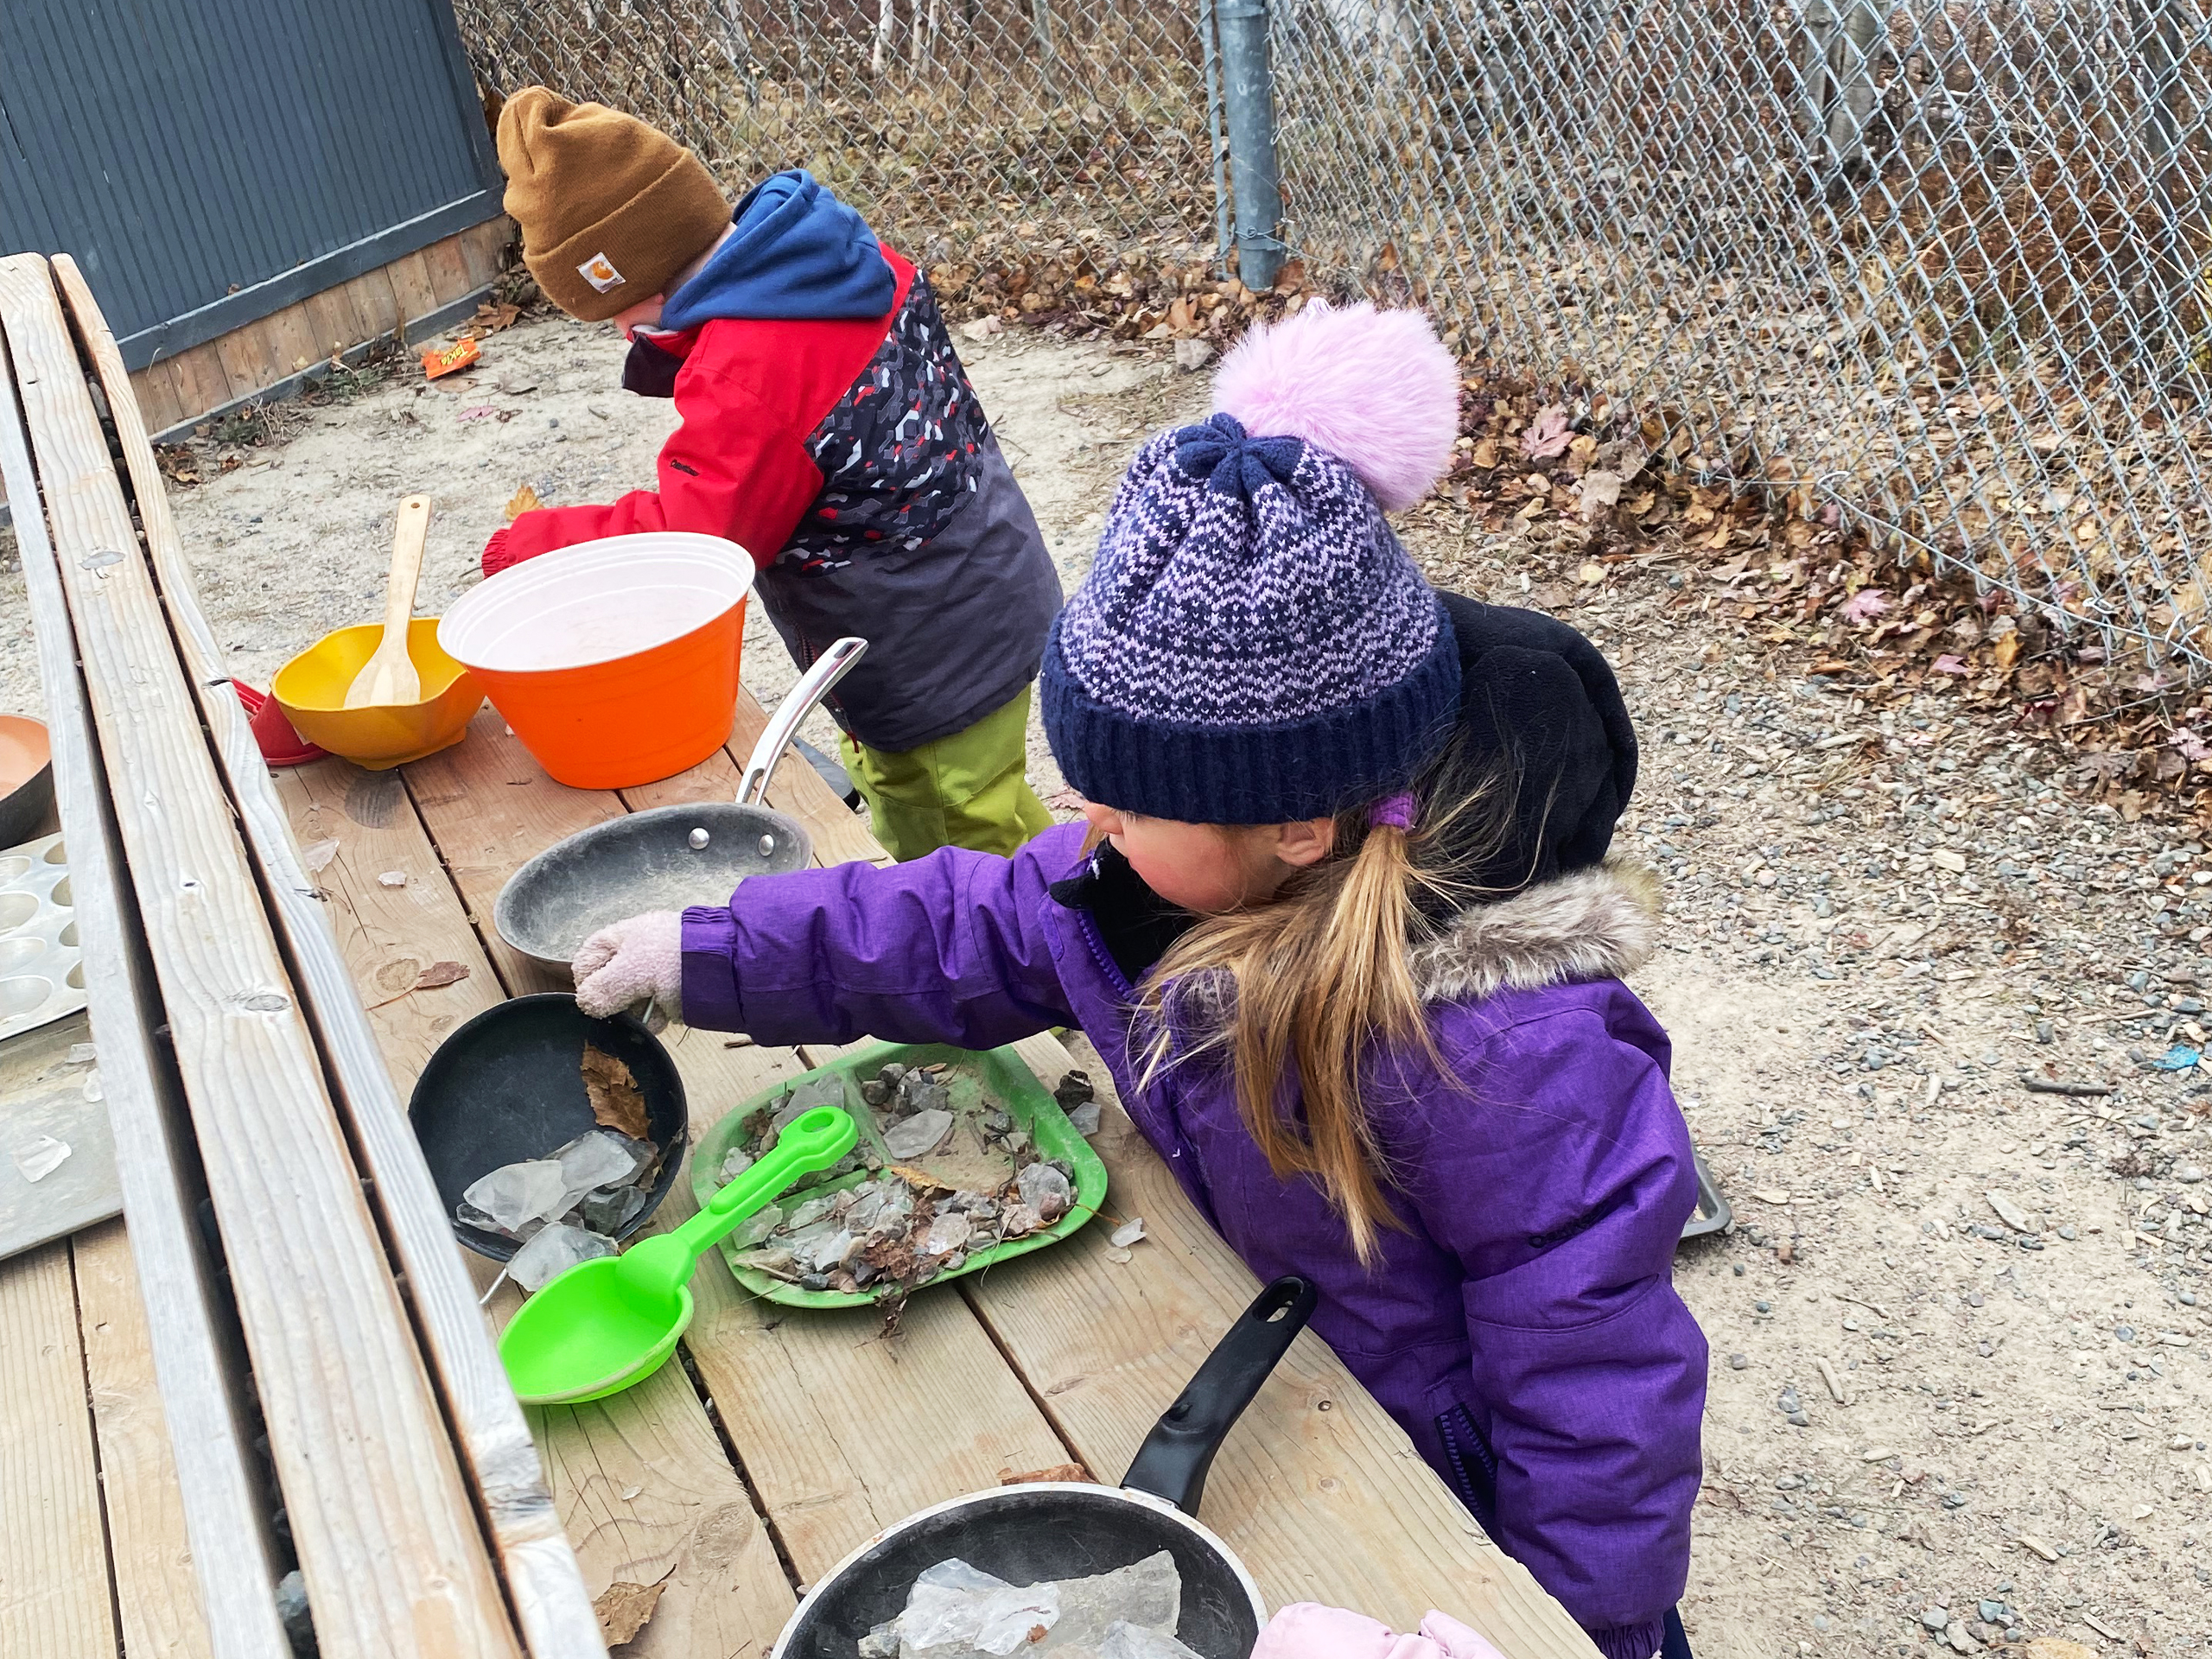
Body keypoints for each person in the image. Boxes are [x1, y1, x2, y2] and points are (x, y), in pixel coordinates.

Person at [569, 302, 1707, 1659]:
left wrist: (1574, 1627)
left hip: (1453, 1499)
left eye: (1117, 798)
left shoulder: (1504, 1059)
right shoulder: (1149, 885)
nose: (1070, 805)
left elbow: (1596, 1378)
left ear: (1288, 824)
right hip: (1281, 1352)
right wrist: (721, 953)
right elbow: (958, 928)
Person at [483, 86, 1060, 859]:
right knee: (968, 794)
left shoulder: (744, 375)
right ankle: (1073, 894)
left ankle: (1039, 948)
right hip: (981, 576)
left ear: (633, 278)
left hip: (921, 649)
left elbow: (696, 542)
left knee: (960, 842)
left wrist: (538, 544)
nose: (620, 334)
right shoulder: (827, 258)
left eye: (614, 314)